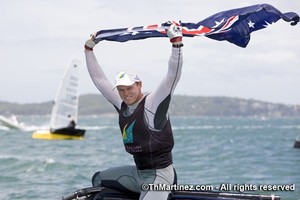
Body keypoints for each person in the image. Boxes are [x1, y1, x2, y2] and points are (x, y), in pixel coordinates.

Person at [84, 21, 183, 200]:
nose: (125, 93)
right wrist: (88, 49)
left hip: (160, 177)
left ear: (139, 85)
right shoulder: (121, 103)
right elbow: (99, 79)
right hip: (139, 175)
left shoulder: (153, 104)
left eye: (129, 88)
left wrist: (176, 44)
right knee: (98, 179)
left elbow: (172, 77)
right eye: (121, 89)